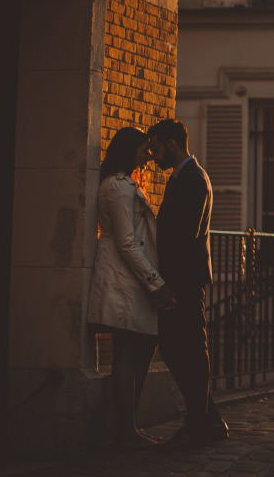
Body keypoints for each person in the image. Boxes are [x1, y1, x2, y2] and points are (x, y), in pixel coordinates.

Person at [86, 127, 176, 450]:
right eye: (143, 150)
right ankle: (125, 430)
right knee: (126, 352)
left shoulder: (126, 185)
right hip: (124, 281)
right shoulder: (118, 187)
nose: (147, 156)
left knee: (138, 347)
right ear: (128, 151)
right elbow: (126, 242)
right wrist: (156, 283)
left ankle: (125, 427)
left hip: (132, 280)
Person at [147, 119, 228, 449]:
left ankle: (198, 425)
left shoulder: (193, 178)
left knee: (190, 348)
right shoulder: (183, 176)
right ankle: (209, 419)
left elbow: (183, 235)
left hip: (185, 278)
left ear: (172, 143)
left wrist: (166, 284)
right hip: (182, 276)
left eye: (156, 147)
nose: (153, 155)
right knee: (176, 346)